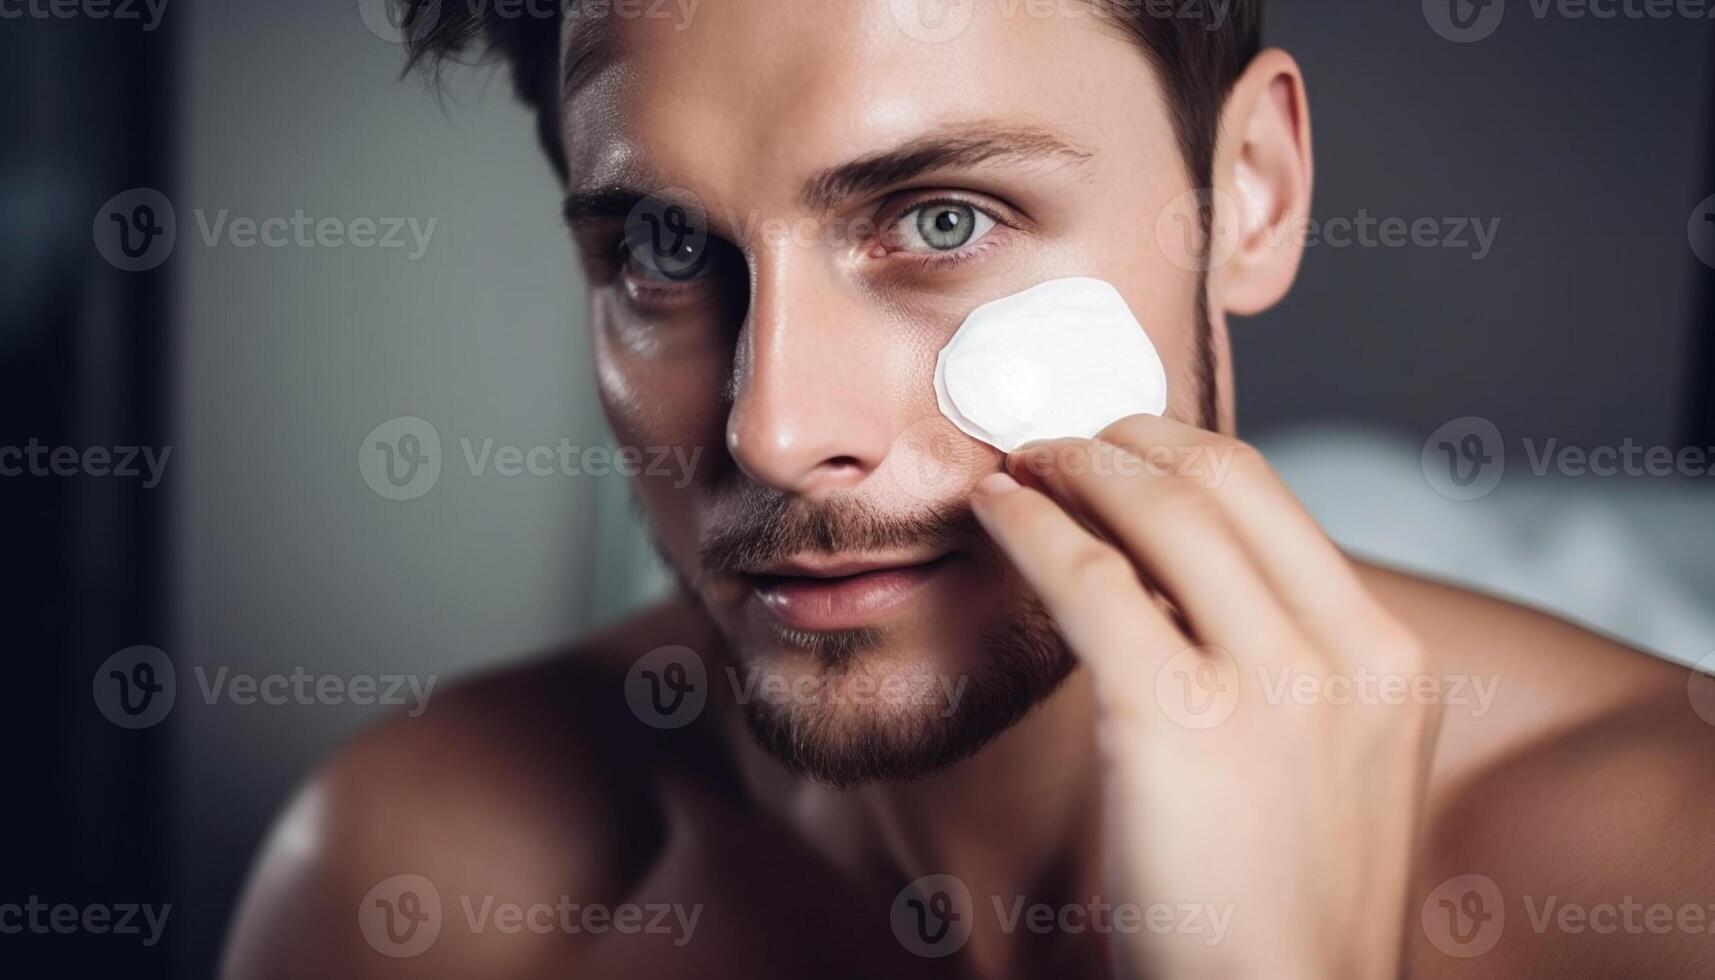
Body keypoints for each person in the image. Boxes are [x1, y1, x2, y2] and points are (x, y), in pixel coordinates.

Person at [223, 1, 1715, 976]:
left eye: (942, 216)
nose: (775, 430)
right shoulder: (421, 878)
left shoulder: (1665, 878)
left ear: (1247, 191)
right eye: (666, 253)